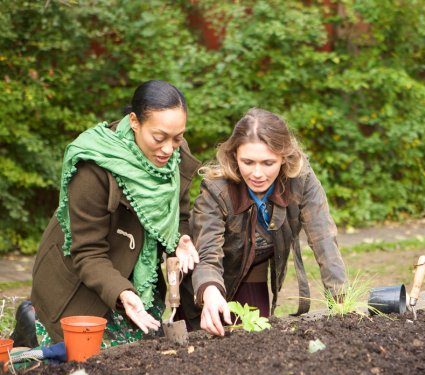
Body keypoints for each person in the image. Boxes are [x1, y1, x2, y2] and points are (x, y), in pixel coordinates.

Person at [25, 80, 201, 347]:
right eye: (159, 137)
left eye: (177, 138)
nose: (169, 149)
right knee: (84, 361)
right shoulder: (93, 168)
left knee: (144, 359)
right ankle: (27, 322)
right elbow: (87, 253)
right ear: (134, 121)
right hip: (81, 283)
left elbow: (180, 217)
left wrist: (180, 238)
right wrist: (122, 293)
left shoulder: (174, 156)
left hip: (139, 279)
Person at [185, 108, 347, 336]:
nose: (257, 173)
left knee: (256, 336)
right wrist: (209, 291)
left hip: (254, 271)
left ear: (284, 157)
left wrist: (339, 300)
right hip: (205, 280)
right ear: (234, 157)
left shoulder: (300, 180)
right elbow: (207, 254)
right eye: (248, 162)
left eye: (268, 163)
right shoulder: (216, 190)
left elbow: (324, 240)